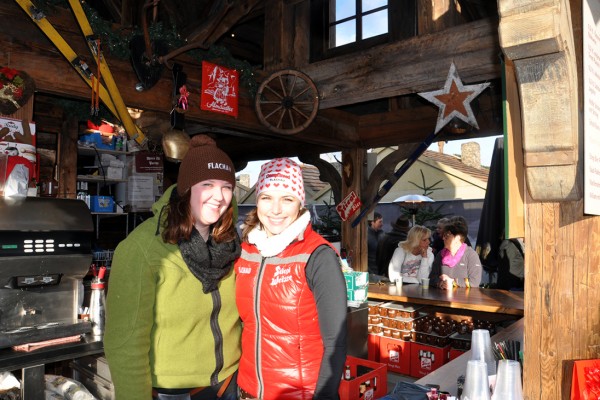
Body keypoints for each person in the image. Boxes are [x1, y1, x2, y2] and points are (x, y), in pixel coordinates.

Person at [104, 135, 242, 400]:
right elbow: (125, 342)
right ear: (186, 188)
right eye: (207, 184)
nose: (219, 196)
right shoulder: (142, 248)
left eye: (227, 187)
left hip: (229, 384)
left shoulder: (231, 243)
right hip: (174, 392)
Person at [235, 158, 347, 400]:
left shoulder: (318, 256)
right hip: (247, 390)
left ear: (300, 203)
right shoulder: (247, 251)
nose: (275, 210)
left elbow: (335, 342)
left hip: (298, 394)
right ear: (257, 201)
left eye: (287, 199)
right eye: (267, 198)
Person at [429, 218, 482, 289]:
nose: (443, 238)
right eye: (443, 235)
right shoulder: (440, 254)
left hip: (465, 299)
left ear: (457, 238)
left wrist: (452, 282)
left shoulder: (471, 255)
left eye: (446, 235)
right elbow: (432, 278)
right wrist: (440, 283)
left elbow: (474, 282)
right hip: (442, 298)